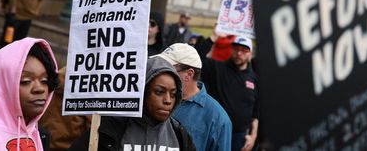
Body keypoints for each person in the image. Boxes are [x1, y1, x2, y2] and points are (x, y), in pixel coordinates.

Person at [68, 57, 196, 150]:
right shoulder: (110, 129)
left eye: (173, 94)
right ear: (142, 92)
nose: (168, 100)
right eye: (159, 92)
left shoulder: (179, 134)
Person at [155, 43, 232, 151]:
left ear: (188, 74)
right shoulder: (151, 99)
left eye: (167, 68)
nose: (159, 72)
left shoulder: (217, 118)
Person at [0, 37, 59, 151]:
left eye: (45, 81)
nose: (39, 89)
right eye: (26, 81)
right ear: (2, 85)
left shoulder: (39, 135)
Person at [196, 33, 259, 151]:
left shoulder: (254, 79)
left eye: (244, 50)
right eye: (236, 49)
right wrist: (213, 37)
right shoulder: (217, 69)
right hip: (215, 132)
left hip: (240, 137)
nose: (239, 53)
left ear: (250, 54)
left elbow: (256, 112)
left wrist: (253, 135)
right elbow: (195, 58)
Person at [39, 66, 92, 151]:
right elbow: (92, 131)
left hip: (44, 144)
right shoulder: (86, 90)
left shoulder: (48, 85)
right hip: (72, 147)